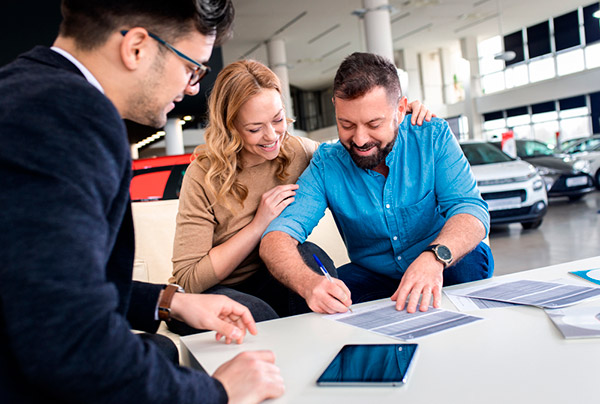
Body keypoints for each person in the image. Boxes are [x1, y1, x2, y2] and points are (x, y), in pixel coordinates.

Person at [0, 1, 284, 403]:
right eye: (191, 68)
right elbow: (73, 342)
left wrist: (172, 302)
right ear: (136, 48)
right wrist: (219, 392)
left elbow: (41, 281)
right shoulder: (68, 118)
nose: (193, 88)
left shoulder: (25, 91)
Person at [169, 59, 434, 330]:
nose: (272, 135)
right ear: (230, 126)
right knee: (258, 316)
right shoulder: (202, 175)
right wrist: (259, 224)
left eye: (277, 119)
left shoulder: (301, 152)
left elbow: (356, 151)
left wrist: (400, 116)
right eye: (254, 128)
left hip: (275, 278)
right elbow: (188, 279)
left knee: (309, 254)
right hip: (218, 290)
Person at [260, 52, 494, 316]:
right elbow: (276, 237)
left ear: (401, 109)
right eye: (346, 124)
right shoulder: (327, 164)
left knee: (469, 263)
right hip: (373, 275)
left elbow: (470, 209)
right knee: (330, 300)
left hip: (444, 261)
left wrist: (434, 258)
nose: (359, 139)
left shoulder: (432, 136)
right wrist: (308, 283)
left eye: (374, 124)